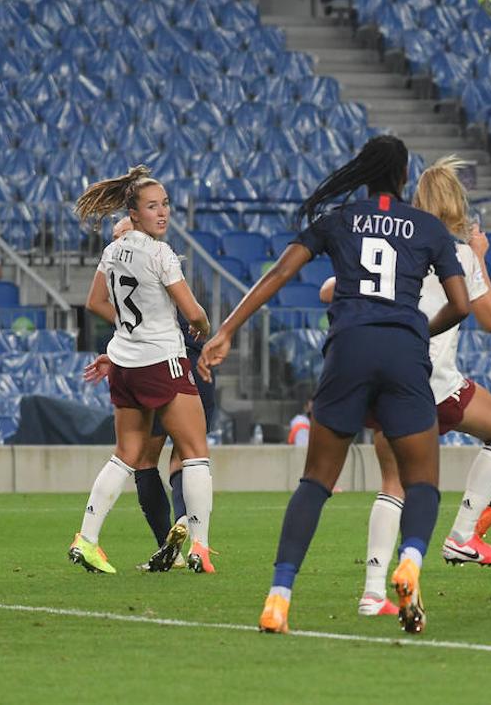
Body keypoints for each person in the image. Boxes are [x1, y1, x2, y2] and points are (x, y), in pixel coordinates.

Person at [198, 136, 471, 635]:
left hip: (348, 349)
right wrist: (415, 330)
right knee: (423, 482)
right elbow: (462, 303)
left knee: (316, 482)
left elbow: (281, 272)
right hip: (404, 355)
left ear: (364, 173)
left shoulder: (340, 220)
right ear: (405, 177)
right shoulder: (428, 228)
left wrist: (227, 331)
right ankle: (408, 561)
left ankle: (278, 599)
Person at [314, 156, 491, 619]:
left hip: (383, 378)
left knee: (392, 486)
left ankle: (371, 591)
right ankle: (463, 534)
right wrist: (480, 257)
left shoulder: (400, 244)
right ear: (457, 205)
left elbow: (329, 290)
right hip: (435, 383)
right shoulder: (458, 253)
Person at [69, 165, 216, 575]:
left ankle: (87, 538)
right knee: (195, 454)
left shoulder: (113, 250)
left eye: (165, 204)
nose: (163, 213)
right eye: (153, 207)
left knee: (126, 455)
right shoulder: (160, 253)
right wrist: (201, 327)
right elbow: (193, 311)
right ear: (133, 214)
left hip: (125, 363)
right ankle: (200, 548)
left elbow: (95, 302)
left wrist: (129, 329)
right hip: (162, 361)